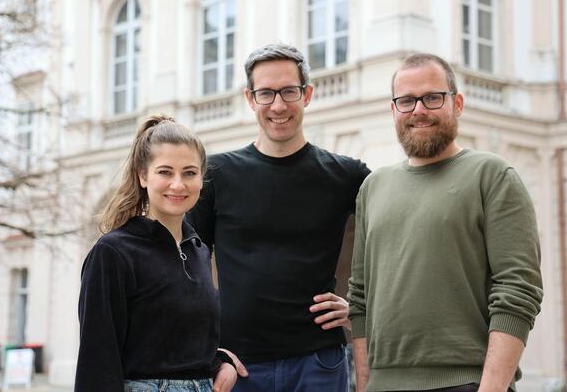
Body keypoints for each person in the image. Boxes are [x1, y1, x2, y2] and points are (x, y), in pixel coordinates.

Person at [347, 53, 544, 392]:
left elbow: (518, 290)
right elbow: (360, 298)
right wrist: (365, 385)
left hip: (465, 382)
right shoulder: (373, 187)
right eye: (406, 100)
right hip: (383, 384)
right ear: (393, 110)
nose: (418, 110)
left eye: (432, 98)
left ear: (458, 103)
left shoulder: (493, 175)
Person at [186, 43, 370, 391]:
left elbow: (393, 240)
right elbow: (186, 266)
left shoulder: (346, 175)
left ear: (307, 94)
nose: (278, 105)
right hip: (238, 365)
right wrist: (209, 348)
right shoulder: (216, 174)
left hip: (318, 361)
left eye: (289, 91)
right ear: (250, 98)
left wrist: (361, 306)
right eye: (266, 93)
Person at [75, 116, 237, 392]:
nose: (178, 184)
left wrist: (221, 363)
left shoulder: (197, 249)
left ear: (201, 178)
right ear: (143, 175)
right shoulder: (114, 252)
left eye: (189, 173)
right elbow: (98, 357)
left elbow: (180, 338)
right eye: (165, 172)